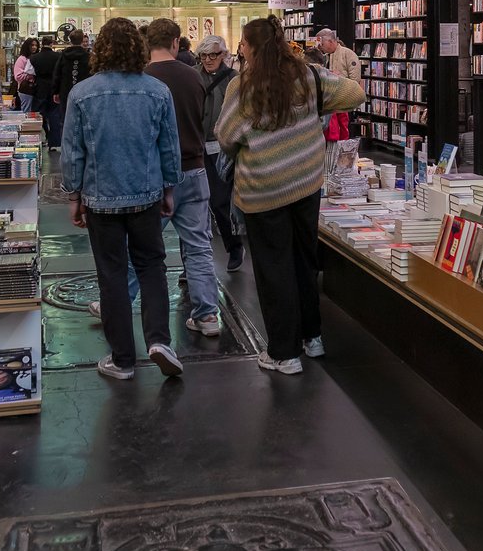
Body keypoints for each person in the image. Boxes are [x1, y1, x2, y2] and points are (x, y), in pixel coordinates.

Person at [217, 18, 364, 374]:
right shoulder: (310, 76)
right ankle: (312, 338)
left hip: (264, 189)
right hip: (305, 183)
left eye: (243, 44)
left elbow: (225, 135)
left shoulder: (243, 87)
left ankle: (284, 353)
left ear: (250, 47)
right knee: (304, 261)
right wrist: (316, 111)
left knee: (273, 268)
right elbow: (355, 93)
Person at [61, 17, 184, 381]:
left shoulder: (81, 94)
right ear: (138, 48)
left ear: (100, 50)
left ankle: (122, 360)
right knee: (151, 267)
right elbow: (169, 147)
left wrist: (74, 196)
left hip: (101, 199)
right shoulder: (157, 91)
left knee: (112, 275)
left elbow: (73, 152)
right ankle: (160, 340)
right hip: (146, 195)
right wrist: (169, 189)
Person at [136, 18, 222, 336]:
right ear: (175, 43)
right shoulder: (194, 76)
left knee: (144, 244)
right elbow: (202, 117)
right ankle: (207, 315)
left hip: (155, 173)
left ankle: (115, 302)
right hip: (195, 167)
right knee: (199, 245)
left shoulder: (141, 78)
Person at [197, 34, 245, 272]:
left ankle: (234, 246)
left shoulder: (234, 79)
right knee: (196, 205)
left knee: (219, 202)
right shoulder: (193, 76)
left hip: (222, 148)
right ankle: (193, 262)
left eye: (213, 55)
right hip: (196, 147)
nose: (208, 60)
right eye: (204, 55)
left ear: (224, 55)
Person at [314, 28, 362, 142]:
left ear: (331, 41)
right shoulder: (325, 57)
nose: (320, 46)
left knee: (343, 132)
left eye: (322, 43)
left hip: (343, 101)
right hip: (329, 101)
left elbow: (355, 80)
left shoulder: (348, 54)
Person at [53, 29, 91, 120]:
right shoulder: (88, 57)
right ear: (82, 40)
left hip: (65, 90)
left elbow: (57, 73)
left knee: (66, 118)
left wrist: (55, 91)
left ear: (70, 40)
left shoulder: (63, 55)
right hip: (84, 90)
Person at [33, 41, 60, 147]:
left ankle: (37, 139)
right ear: (52, 44)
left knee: (39, 114)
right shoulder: (58, 56)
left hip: (40, 88)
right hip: (53, 88)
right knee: (54, 115)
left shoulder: (34, 58)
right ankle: (53, 142)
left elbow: (29, 72)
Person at [12, 37, 39, 113]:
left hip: (36, 89)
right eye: (32, 45)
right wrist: (31, 76)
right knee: (27, 111)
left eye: (36, 45)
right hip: (26, 90)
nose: (34, 47)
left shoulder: (36, 58)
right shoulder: (22, 59)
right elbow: (18, 76)